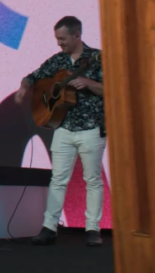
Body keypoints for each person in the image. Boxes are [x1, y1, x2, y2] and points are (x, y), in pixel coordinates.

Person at [14, 16, 105, 247]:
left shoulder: (97, 58)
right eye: (57, 39)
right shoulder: (57, 61)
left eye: (63, 39)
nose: (59, 43)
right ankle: (49, 228)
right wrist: (24, 88)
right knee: (58, 179)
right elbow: (32, 76)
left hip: (91, 127)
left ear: (77, 35)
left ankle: (93, 229)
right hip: (63, 128)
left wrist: (88, 83)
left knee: (92, 180)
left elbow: (113, 88)